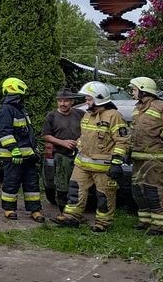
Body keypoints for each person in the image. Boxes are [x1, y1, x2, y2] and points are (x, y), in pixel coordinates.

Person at [53, 81, 130, 233]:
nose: (86, 102)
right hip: (82, 163)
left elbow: (122, 141)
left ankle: (103, 222)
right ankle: (71, 217)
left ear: (99, 98)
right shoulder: (88, 115)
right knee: (75, 191)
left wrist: (116, 163)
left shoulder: (114, 116)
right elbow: (84, 136)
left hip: (103, 166)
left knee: (104, 195)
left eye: (89, 99)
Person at [0, 77, 44, 222]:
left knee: (32, 184)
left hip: (28, 156)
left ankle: (35, 209)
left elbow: (27, 133)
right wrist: (13, 149)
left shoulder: (20, 110)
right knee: (11, 182)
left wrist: (34, 149)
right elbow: (4, 132)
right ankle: (9, 209)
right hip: (13, 156)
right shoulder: (6, 110)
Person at [128, 76, 163, 235]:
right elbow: (134, 130)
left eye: (134, 89)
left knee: (154, 191)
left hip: (155, 159)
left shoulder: (161, 107)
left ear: (143, 90)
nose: (132, 92)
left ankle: (160, 226)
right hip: (138, 157)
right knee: (139, 191)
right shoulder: (137, 109)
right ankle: (145, 221)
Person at [41, 89, 85, 209]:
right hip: (61, 154)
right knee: (62, 184)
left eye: (66, 101)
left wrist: (80, 141)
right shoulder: (51, 116)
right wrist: (62, 142)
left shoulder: (80, 114)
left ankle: (76, 207)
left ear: (72, 101)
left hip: (79, 154)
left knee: (78, 183)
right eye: (60, 101)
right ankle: (63, 209)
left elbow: (88, 131)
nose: (62, 104)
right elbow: (45, 135)